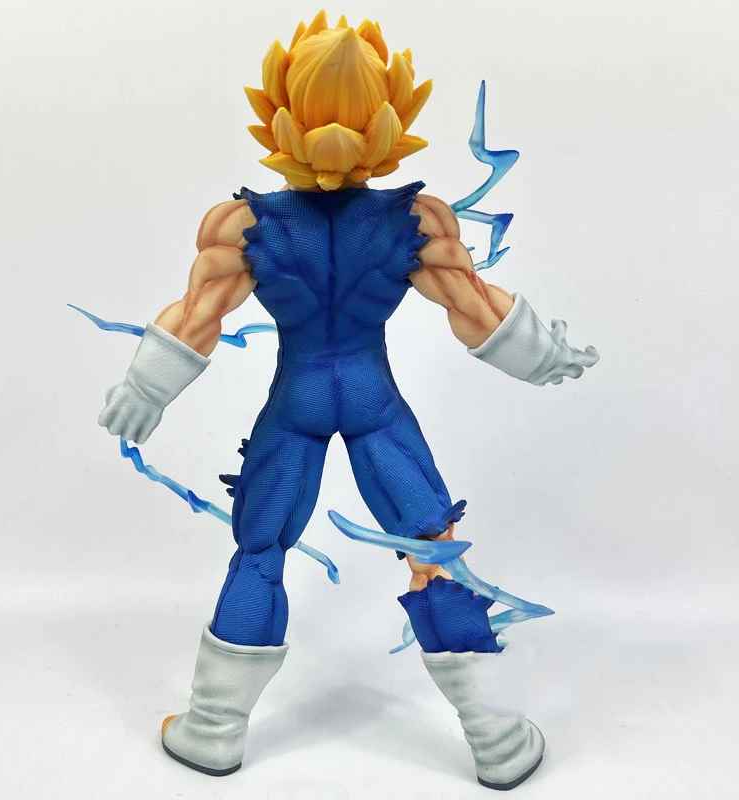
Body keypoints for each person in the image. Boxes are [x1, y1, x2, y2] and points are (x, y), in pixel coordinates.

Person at [97, 11, 598, 790]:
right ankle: (496, 738)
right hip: (372, 402)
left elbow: (199, 315)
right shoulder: (414, 221)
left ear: (277, 113)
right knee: (433, 552)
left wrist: (144, 388)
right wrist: (544, 355)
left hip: (297, 402)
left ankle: (212, 729)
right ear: (392, 116)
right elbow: (474, 307)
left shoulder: (245, 226)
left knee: (261, 552)